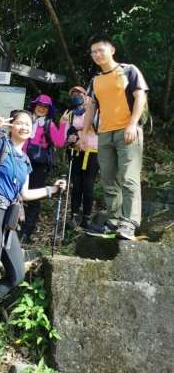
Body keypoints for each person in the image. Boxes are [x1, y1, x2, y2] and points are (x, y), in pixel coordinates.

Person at [0, 111, 66, 357]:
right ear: (11, 126)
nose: (24, 126)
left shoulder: (25, 160)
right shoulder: (0, 145)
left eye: (28, 124)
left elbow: (25, 194)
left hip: (8, 215)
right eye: (19, 122)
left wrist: (51, 189)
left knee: (17, 273)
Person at [80, 34, 148, 240]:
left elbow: (140, 97)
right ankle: (115, 221)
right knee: (109, 179)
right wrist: (84, 133)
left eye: (101, 50)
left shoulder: (129, 70)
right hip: (105, 134)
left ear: (112, 50)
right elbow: (91, 107)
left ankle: (130, 223)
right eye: (93, 52)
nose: (97, 55)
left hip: (127, 130)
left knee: (128, 178)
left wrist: (132, 124)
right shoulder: (96, 80)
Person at [19, 95, 68, 244]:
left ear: (48, 110)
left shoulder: (49, 124)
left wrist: (63, 124)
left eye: (45, 106)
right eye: (39, 105)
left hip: (39, 165)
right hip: (20, 160)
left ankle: (26, 233)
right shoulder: (26, 121)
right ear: (34, 106)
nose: (41, 108)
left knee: (34, 199)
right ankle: (12, 229)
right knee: (15, 195)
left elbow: (59, 142)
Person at [64, 86, 99, 231]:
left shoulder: (95, 112)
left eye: (79, 94)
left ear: (86, 96)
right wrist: (69, 138)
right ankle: (73, 216)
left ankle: (86, 218)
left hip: (93, 152)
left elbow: (101, 127)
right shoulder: (70, 115)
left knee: (88, 187)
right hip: (76, 151)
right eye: (73, 94)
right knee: (77, 186)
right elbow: (63, 138)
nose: (76, 96)